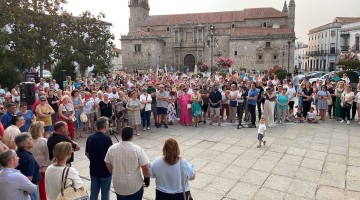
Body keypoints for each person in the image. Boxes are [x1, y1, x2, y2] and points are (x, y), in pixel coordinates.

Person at [104, 126, 150, 200]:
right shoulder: (137, 150)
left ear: (121, 135)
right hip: (134, 186)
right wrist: (147, 179)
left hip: (118, 186)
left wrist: (113, 172)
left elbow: (107, 162)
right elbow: (145, 167)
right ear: (132, 137)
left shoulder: (111, 149)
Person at [85, 117, 113, 200]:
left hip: (94, 169)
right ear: (105, 126)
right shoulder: (107, 139)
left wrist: (93, 160)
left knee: (93, 192)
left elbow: (87, 153)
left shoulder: (90, 137)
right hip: (105, 170)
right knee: (105, 193)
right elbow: (110, 156)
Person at [28, 121, 51, 200]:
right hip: (42, 166)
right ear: (40, 130)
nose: (44, 129)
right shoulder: (44, 141)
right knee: (42, 186)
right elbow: (48, 154)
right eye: (43, 128)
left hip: (32, 165)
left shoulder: (29, 140)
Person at [15, 133, 41, 200]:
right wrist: (27, 190)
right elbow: (29, 177)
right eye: (30, 139)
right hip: (29, 189)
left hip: (19, 186)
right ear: (26, 144)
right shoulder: (28, 158)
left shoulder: (17, 153)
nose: (32, 140)